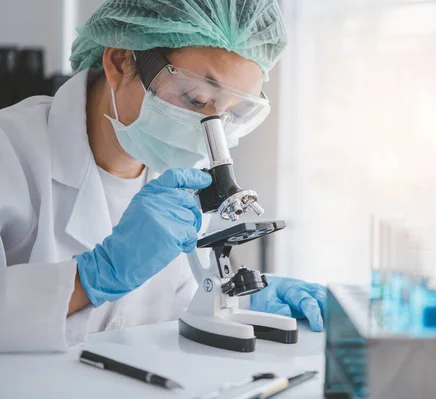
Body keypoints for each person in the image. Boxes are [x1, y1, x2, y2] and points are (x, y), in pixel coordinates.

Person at [0, 0, 326, 353]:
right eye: (195, 98)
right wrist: (94, 276)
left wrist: (239, 299)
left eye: (234, 111)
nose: (210, 131)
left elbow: (176, 304)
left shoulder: (180, 178)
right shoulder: (11, 151)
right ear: (120, 61)